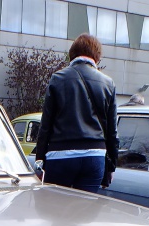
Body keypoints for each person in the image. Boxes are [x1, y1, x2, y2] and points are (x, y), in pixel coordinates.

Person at [35, 33, 118, 193]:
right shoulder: (108, 83)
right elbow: (112, 131)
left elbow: (45, 126)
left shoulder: (57, 79)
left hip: (60, 155)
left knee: (55, 210)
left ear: (72, 54)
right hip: (94, 156)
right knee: (85, 212)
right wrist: (111, 166)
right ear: (97, 56)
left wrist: (40, 160)